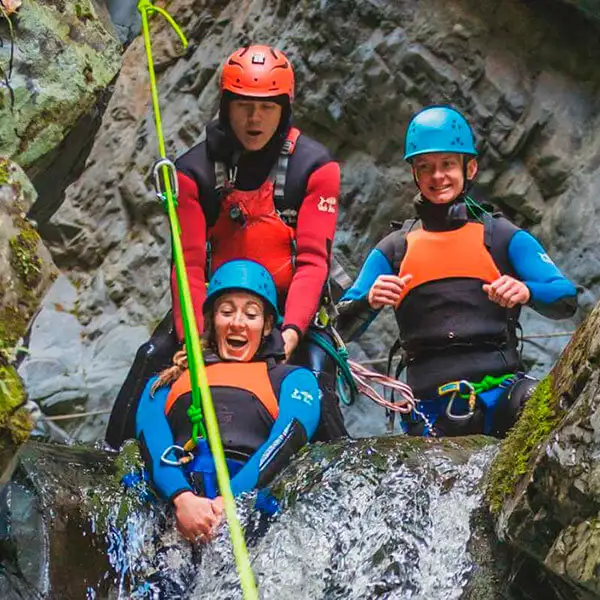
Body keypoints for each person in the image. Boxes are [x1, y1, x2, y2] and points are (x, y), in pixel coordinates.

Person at [105, 44, 346, 449]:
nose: (254, 119)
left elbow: (312, 262)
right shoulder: (193, 172)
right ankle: (112, 458)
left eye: (267, 107)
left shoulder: (315, 167)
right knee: (151, 357)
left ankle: (340, 466)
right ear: (226, 105)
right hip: (216, 307)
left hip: (288, 307)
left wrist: (289, 333)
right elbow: (190, 265)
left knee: (317, 375)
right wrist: (192, 339)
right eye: (244, 106)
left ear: (284, 109)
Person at [336, 105, 578, 437]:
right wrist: (369, 301)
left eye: (448, 164)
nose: (437, 177)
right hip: (429, 407)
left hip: (504, 397)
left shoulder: (503, 237)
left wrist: (527, 291)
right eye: (426, 167)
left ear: (471, 168)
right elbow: (338, 330)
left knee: (542, 403)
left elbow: (565, 297)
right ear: (415, 174)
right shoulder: (393, 249)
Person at [135, 260, 321, 542]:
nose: (237, 322)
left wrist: (228, 502)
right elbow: (153, 441)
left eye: (251, 314)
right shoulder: (166, 382)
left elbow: (286, 441)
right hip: (179, 512)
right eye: (226, 311)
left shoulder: (294, 380)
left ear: (267, 325)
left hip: (253, 513)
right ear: (212, 321)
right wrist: (182, 499)